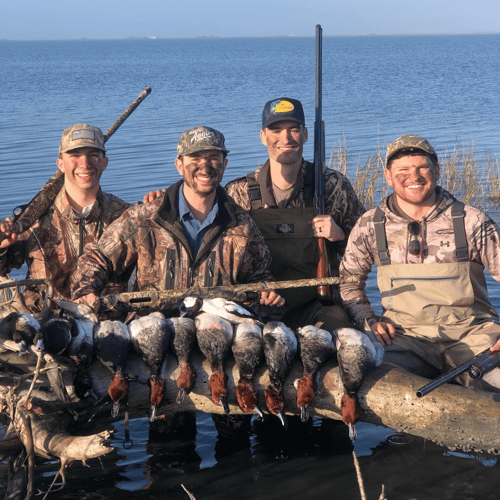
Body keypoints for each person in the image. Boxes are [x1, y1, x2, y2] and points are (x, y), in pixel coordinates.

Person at [339, 133, 500, 391]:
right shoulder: (370, 224)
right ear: (388, 176)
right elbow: (349, 285)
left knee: (495, 385)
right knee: (364, 382)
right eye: (402, 170)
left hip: (472, 336)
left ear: (436, 170)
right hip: (403, 339)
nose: (413, 177)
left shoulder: (471, 220)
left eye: (422, 168)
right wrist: (369, 321)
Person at [72, 125, 283, 310]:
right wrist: (86, 290)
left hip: (217, 328)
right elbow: (96, 259)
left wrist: (266, 295)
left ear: (224, 164)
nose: (205, 166)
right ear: (179, 164)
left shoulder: (241, 225)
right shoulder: (145, 218)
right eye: (196, 158)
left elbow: (261, 277)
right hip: (152, 326)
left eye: (213, 158)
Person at [225, 97, 365, 331]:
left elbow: (366, 252)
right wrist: (161, 201)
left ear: (306, 134)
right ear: (263, 136)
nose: (286, 138)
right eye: (276, 130)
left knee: (343, 335)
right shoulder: (239, 192)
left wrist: (340, 235)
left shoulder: (333, 184)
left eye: (294, 130)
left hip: (318, 305)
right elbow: (220, 256)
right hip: (259, 307)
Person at [0, 124, 131, 311]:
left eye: (93, 155)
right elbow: (3, 268)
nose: (85, 164)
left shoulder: (126, 216)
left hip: (107, 325)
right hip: (43, 323)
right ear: (60, 164)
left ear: (105, 162)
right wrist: (1, 247)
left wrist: (162, 203)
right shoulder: (33, 217)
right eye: (75, 155)